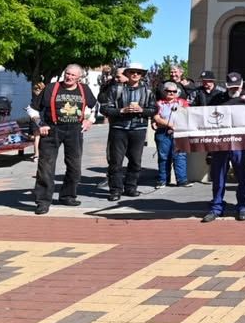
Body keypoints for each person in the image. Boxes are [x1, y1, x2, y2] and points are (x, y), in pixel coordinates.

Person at [30, 65, 97, 214]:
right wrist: (40, 124)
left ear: (79, 77)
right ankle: (42, 201)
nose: (69, 77)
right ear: (64, 73)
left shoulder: (84, 89)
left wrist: (90, 120)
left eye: (73, 75)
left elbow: (95, 106)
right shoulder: (51, 88)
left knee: (75, 166)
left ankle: (67, 196)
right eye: (68, 73)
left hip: (74, 130)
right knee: (46, 166)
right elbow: (32, 108)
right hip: (52, 130)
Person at [202, 73, 245, 222]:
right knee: (218, 176)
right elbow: (208, 117)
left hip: (241, 144)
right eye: (231, 87)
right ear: (226, 85)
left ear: (241, 85)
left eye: (237, 87)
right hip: (221, 143)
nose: (234, 89)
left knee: (243, 176)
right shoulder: (218, 98)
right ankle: (216, 207)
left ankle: (243, 206)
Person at [100, 62, 157, 202]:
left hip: (138, 128)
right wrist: (121, 110)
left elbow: (154, 109)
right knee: (115, 162)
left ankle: (131, 187)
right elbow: (104, 109)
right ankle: (115, 190)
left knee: (135, 161)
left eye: (138, 72)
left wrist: (142, 110)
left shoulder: (148, 91)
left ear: (142, 75)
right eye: (132, 72)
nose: (135, 74)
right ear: (127, 74)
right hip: (119, 128)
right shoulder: (116, 89)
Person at [152, 81, 190, 189]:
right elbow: (156, 117)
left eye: (174, 91)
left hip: (179, 133)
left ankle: (182, 180)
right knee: (164, 157)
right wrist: (169, 124)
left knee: (180, 156)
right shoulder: (159, 103)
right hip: (163, 132)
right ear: (164, 91)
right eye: (169, 91)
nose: (171, 93)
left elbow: (188, 114)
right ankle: (163, 180)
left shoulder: (182, 102)